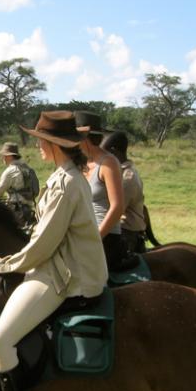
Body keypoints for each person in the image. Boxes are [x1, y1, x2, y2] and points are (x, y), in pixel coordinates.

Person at [0, 111, 108, 391]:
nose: (36, 144)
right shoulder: (63, 175)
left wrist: (2, 264)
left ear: (54, 144)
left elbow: (43, 246)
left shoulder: (65, 184)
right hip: (59, 265)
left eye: (40, 140)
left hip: (65, 275)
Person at [74, 111, 132, 271]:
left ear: (85, 138)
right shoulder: (82, 164)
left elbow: (117, 207)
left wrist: (96, 237)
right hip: (82, 235)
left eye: (74, 139)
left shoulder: (109, 163)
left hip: (105, 236)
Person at [103, 131, 147, 254]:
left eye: (103, 153)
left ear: (113, 152)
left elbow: (114, 211)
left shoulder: (127, 178)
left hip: (126, 233)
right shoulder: (118, 172)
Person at [0, 142, 40, 233]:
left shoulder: (10, 171)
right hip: (29, 211)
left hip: (14, 211)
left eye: (4, 155)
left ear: (10, 156)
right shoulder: (29, 169)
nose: (3, 158)